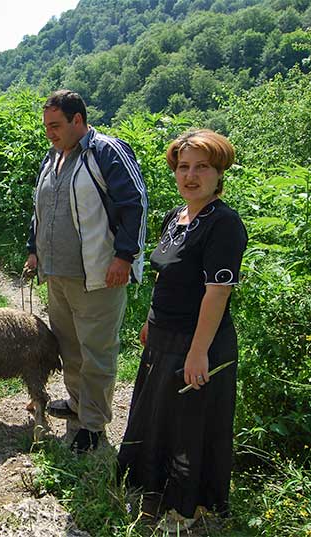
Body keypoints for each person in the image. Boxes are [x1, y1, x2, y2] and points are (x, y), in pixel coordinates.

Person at [117, 130, 247, 531]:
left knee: (191, 424)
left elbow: (216, 293)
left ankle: (187, 507)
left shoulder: (223, 224)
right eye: (184, 167)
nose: (190, 176)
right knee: (158, 417)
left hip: (197, 342)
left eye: (201, 167)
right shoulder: (176, 217)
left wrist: (198, 352)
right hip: (163, 336)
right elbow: (166, 278)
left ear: (219, 172)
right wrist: (150, 321)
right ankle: (153, 487)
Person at [25, 90, 147, 452]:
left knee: (97, 349)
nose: (50, 132)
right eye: (46, 126)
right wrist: (34, 250)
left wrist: (124, 257)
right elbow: (41, 210)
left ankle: (93, 424)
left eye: (56, 125)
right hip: (57, 274)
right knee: (70, 346)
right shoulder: (53, 157)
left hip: (98, 273)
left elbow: (134, 202)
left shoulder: (106, 151)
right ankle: (78, 404)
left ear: (78, 120)